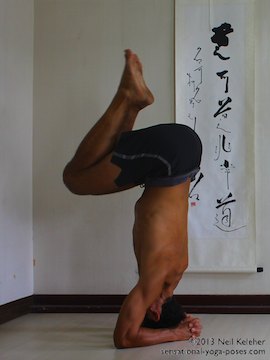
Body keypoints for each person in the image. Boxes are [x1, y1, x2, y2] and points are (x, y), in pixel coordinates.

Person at [63, 49, 202, 348]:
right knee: (74, 179)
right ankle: (129, 97)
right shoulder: (154, 283)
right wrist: (176, 333)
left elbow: (166, 301)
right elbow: (124, 339)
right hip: (170, 158)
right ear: (153, 309)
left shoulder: (176, 272)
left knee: (90, 170)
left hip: (180, 159)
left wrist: (181, 319)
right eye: (144, 312)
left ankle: (132, 100)